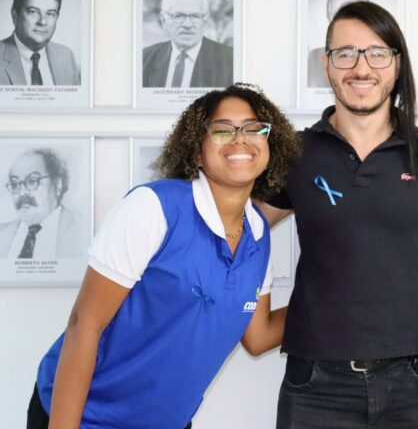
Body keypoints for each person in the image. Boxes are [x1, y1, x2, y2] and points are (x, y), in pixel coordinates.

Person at [27, 85, 302, 428]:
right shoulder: (154, 207)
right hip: (85, 419)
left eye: (253, 128)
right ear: (197, 153)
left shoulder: (258, 235)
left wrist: (335, 302)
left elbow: (258, 337)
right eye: (222, 130)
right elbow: (85, 325)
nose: (240, 139)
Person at [258, 1, 418, 429]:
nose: (361, 68)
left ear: (397, 64)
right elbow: (236, 228)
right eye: (346, 53)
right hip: (315, 385)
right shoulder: (294, 154)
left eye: (377, 53)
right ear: (326, 64)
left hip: (416, 379)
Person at [0, 148, 85, 259]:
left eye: (32, 181)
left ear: (57, 185)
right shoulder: (2, 233)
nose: (22, 192)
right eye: (15, 184)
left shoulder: (84, 230)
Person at [142, 0, 233, 88]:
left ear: (205, 22)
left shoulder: (230, 61)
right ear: (163, 21)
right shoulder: (144, 59)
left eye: (195, 16)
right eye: (178, 16)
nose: (188, 25)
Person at [0, 0, 80, 86]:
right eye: (33, 12)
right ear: (15, 15)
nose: (42, 22)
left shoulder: (66, 56)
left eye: (50, 14)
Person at [306, 0, 369, 87]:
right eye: (339, 15)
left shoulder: (382, 56)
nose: (348, 21)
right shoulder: (315, 58)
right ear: (329, 16)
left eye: (354, 14)